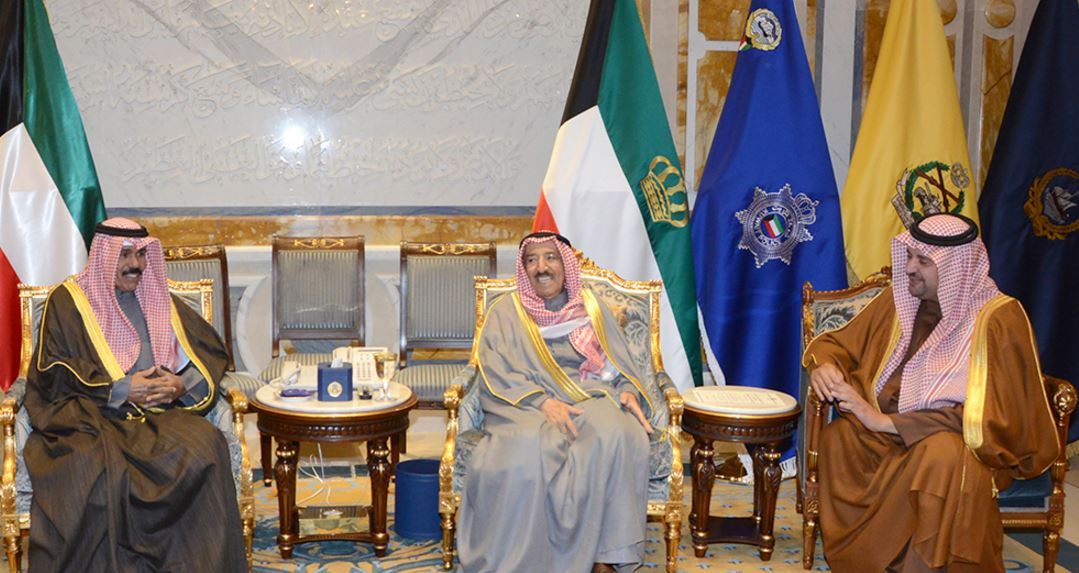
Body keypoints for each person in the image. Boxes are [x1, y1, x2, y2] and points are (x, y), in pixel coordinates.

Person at [804, 213, 1059, 573]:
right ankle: (869, 560)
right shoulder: (899, 302)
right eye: (909, 256)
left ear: (954, 266)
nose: (909, 268)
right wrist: (824, 364)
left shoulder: (999, 318)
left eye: (923, 261)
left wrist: (886, 422)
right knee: (839, 438)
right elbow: (835, 343)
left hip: (955, 441)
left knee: (941, 455)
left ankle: (920, 565)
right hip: (880, 438)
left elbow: (997, 418)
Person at [24, 218, 246, 572]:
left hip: (158, 417)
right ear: (104, 256)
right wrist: (122, 389)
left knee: (206, 446)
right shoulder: (67, 302)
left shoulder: (157, 297)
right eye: (125, 254)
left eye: (141, 255)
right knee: (90, 470)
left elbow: (208, 354)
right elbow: (52, 370)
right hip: (94, 416)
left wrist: (180, 385)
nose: (136, 265)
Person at [457, 232, 655, 573]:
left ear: (565, 264)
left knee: (621, 433)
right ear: (524, 269)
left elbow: (618, 360)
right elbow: (495, 368)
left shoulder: (591, 307)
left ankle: (606, 556)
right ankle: (529, 560)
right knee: (531, 447)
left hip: (588, 394)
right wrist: (542, 402)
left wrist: (626, 389)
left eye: (550, 257)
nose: (541, 267)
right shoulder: (505, 311)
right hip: (525, 401)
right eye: (532, 260)